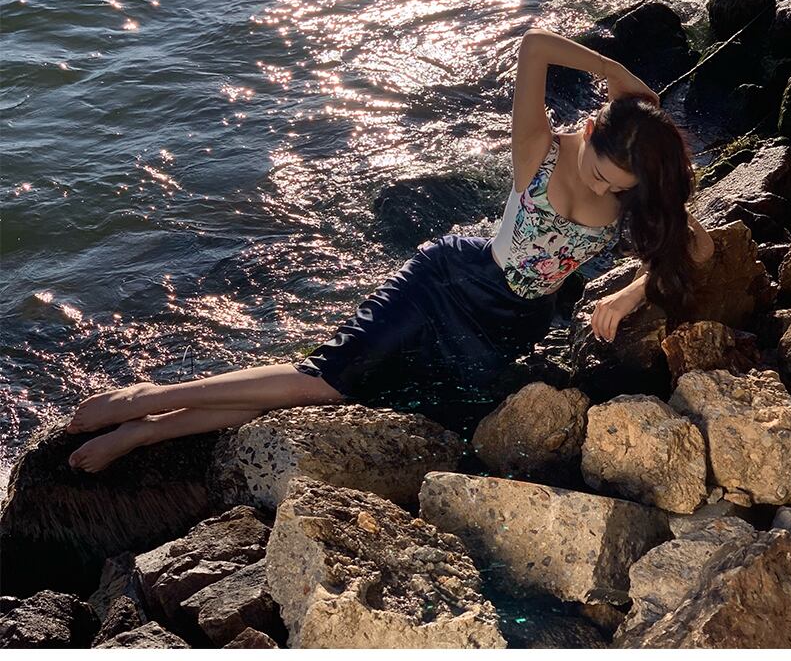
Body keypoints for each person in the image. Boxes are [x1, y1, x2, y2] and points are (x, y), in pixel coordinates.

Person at [66, 28, 715, 472]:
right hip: (446, 284)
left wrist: (629, 292)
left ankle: (153, 428)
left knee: (334, 396)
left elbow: (701, 246)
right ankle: (144, 400)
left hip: (505, 327)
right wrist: (611, 71)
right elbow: (534, 46)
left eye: (616, 187)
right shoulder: (538, 147)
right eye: (600, 173)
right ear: (591, 128)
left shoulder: (637, 179)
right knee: (319, 380)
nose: (603, 189)